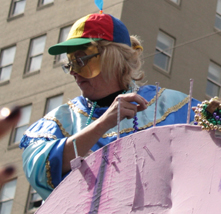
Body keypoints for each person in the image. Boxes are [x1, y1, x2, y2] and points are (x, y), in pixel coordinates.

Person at [21, 11, 196, 199]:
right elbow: (39, 169)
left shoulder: (171, 105)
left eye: (80, 60)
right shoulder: (62, 120)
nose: (73, 72)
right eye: (69, 64)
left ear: (112, 58)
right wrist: (103, 123)